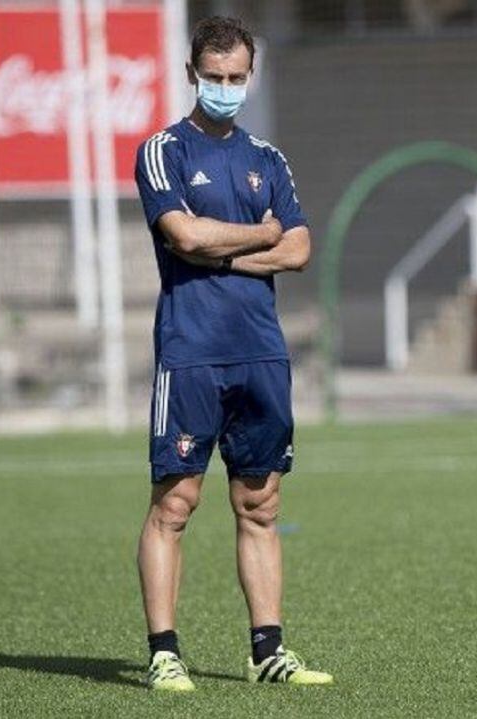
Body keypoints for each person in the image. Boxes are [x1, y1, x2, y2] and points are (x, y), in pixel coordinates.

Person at [133, 16, 332, 691]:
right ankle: (164, 649)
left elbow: (299, 248)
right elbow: (183, 236)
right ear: (192, 73)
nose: (225, 88)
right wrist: (258, 235)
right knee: (176, 502)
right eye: (213, 77)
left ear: (251, 74)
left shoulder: (267, 158)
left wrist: (226, 247)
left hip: (261, 352)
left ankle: (267, 649)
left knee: (262, 503)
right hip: (191, 352)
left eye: (236, 78)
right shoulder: (163, 150)